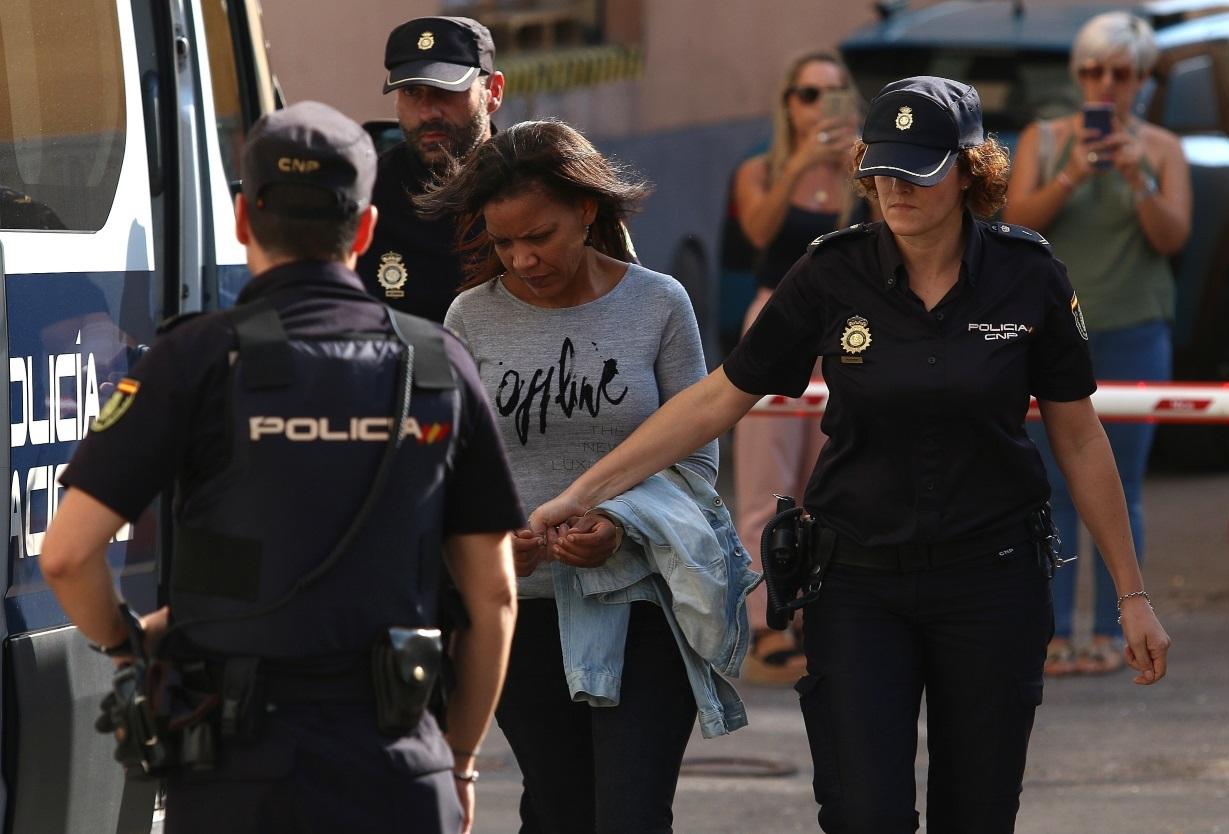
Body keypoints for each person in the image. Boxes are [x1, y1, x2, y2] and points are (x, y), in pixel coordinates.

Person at [530, 77, 1172, 833]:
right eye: (881, 166)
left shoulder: (1029, 276)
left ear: (970, 171)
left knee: (980, 811)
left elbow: (1079, 434)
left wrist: (1133, 597)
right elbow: (717, 399)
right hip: (858, 583)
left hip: (990, 581)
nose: (894, 187)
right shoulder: (831, 271)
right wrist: (586, 491)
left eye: (918, 169)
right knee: (864, 814)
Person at [40, 101, 523, 834]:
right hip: (397, 765)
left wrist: (129, 648)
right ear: (364, 229)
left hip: (237, 771)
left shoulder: (196, 358)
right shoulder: (435, 364)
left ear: (242, 220)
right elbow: (494, 602)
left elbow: (67, 557)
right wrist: (456, 762)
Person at [425, 119, 752, 834]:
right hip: (522, 610)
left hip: (641, 600)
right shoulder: (469, 317)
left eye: (538, 236)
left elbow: (696, 458)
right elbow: (451, 467)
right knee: (558, 809)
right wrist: (486, 546)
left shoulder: (659, 303)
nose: (522, 259)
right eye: (503, 242)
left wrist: (619, 524)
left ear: (586, 210)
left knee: (631, 815)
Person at [1002, 11, 1191, 677]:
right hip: (1053, 335)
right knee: (1052, 487)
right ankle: (1055, 630)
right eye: (1091, 70)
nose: (1103, 84)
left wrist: (1137, 178)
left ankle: (1119, 630)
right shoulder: (1044, 139)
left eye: (1119, 72)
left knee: (1125, 485)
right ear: (1076, 74)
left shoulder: (1163, 147)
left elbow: (1173, 239)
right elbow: (1014, 224)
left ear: (1141, 79)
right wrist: (1073, 175)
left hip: (1134, 330)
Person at [730, 49, 871, 683]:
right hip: (776, 321)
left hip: (845, 328)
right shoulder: (760, 169)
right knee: (766, 481)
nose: (820, 106)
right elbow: (758, 232)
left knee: (828, 480)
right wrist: (800, 167)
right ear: (788, 103)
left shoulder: (864, 171)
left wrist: (851, 173)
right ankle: (764, 622)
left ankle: (820, 609)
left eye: (833, 93)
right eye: (808, 94)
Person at [356, 16, 506, 322]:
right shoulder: (367, 192)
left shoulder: (538, 187)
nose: (427, 112)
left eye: (445, 90)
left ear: (493, 91)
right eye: (412, 93)